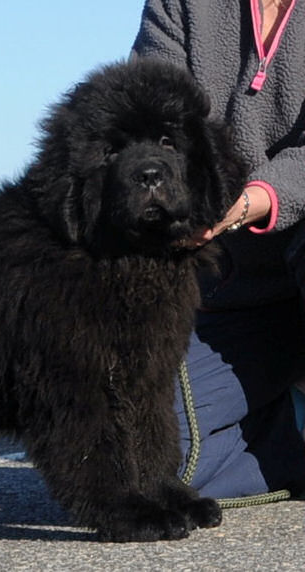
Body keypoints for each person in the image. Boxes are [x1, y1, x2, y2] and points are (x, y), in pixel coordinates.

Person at [131, 0, 305, 498]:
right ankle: (293, 425)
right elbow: (148, 111)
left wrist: (253, 198)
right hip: (231, 284)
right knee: (149, 463)